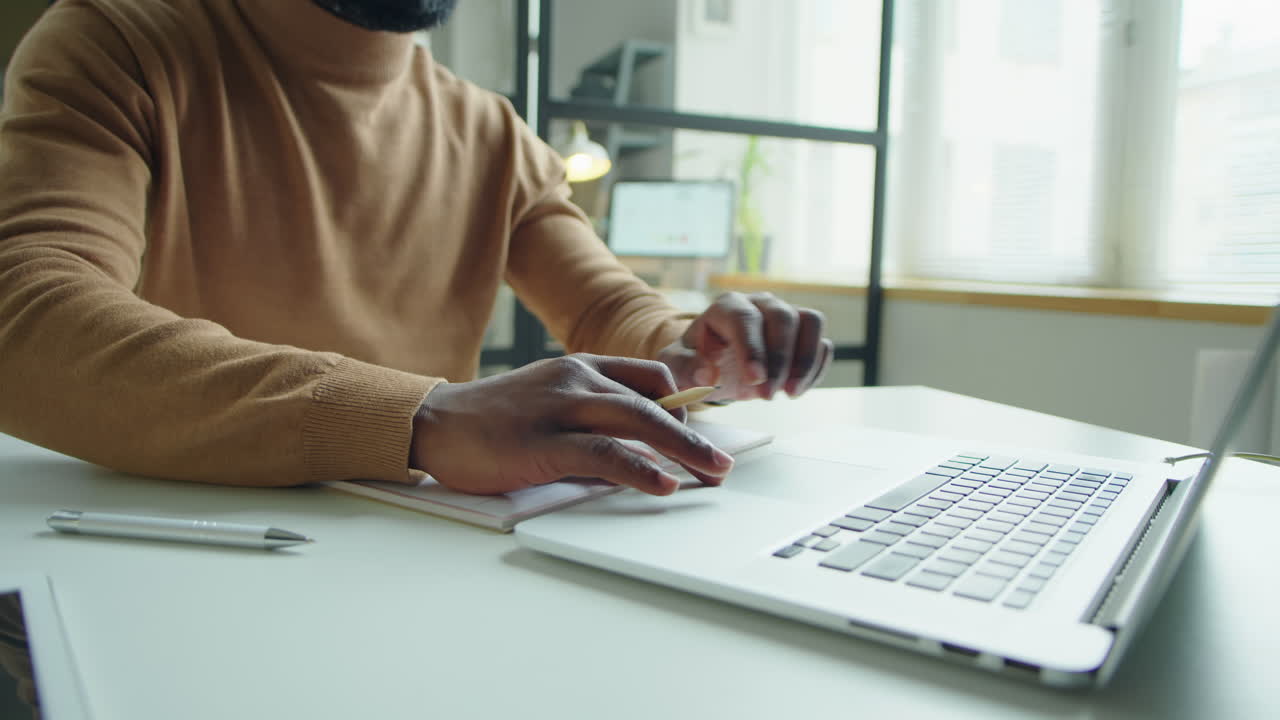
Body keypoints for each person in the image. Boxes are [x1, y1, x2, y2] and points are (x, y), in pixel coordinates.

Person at [0, 0, 833, 498]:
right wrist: (418, 416)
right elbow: (24, 320)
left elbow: (605, 305)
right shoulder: (116, 42)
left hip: (413, 556)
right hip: (167, 546)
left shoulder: (490, 131)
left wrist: (686, 352)